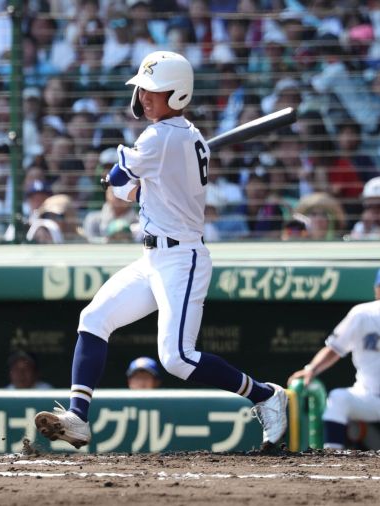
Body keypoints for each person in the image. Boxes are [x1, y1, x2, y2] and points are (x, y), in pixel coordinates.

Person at [35, 51, 287, 450]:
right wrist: (126, 183)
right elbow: (129, 189)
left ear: (179, 94)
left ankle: (265, 395)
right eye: (143, 88)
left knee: (177, 359)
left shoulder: (159, 137)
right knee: (94, 317)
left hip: (181, 259)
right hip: (152, 257)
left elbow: (119, 183)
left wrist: (118, 178)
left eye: (155, 90)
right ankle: (78, 418)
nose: (145, 96)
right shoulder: (179, 136)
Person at [287, 269, 380, 449]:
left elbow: (334, 350)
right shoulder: (363, 314)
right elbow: (335, 348)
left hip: (368, 396)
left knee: (338, 399)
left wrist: (311, 369)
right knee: (339, 399)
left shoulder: (364, 312)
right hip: (368, 395)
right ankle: (333, 456)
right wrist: (311, 369)